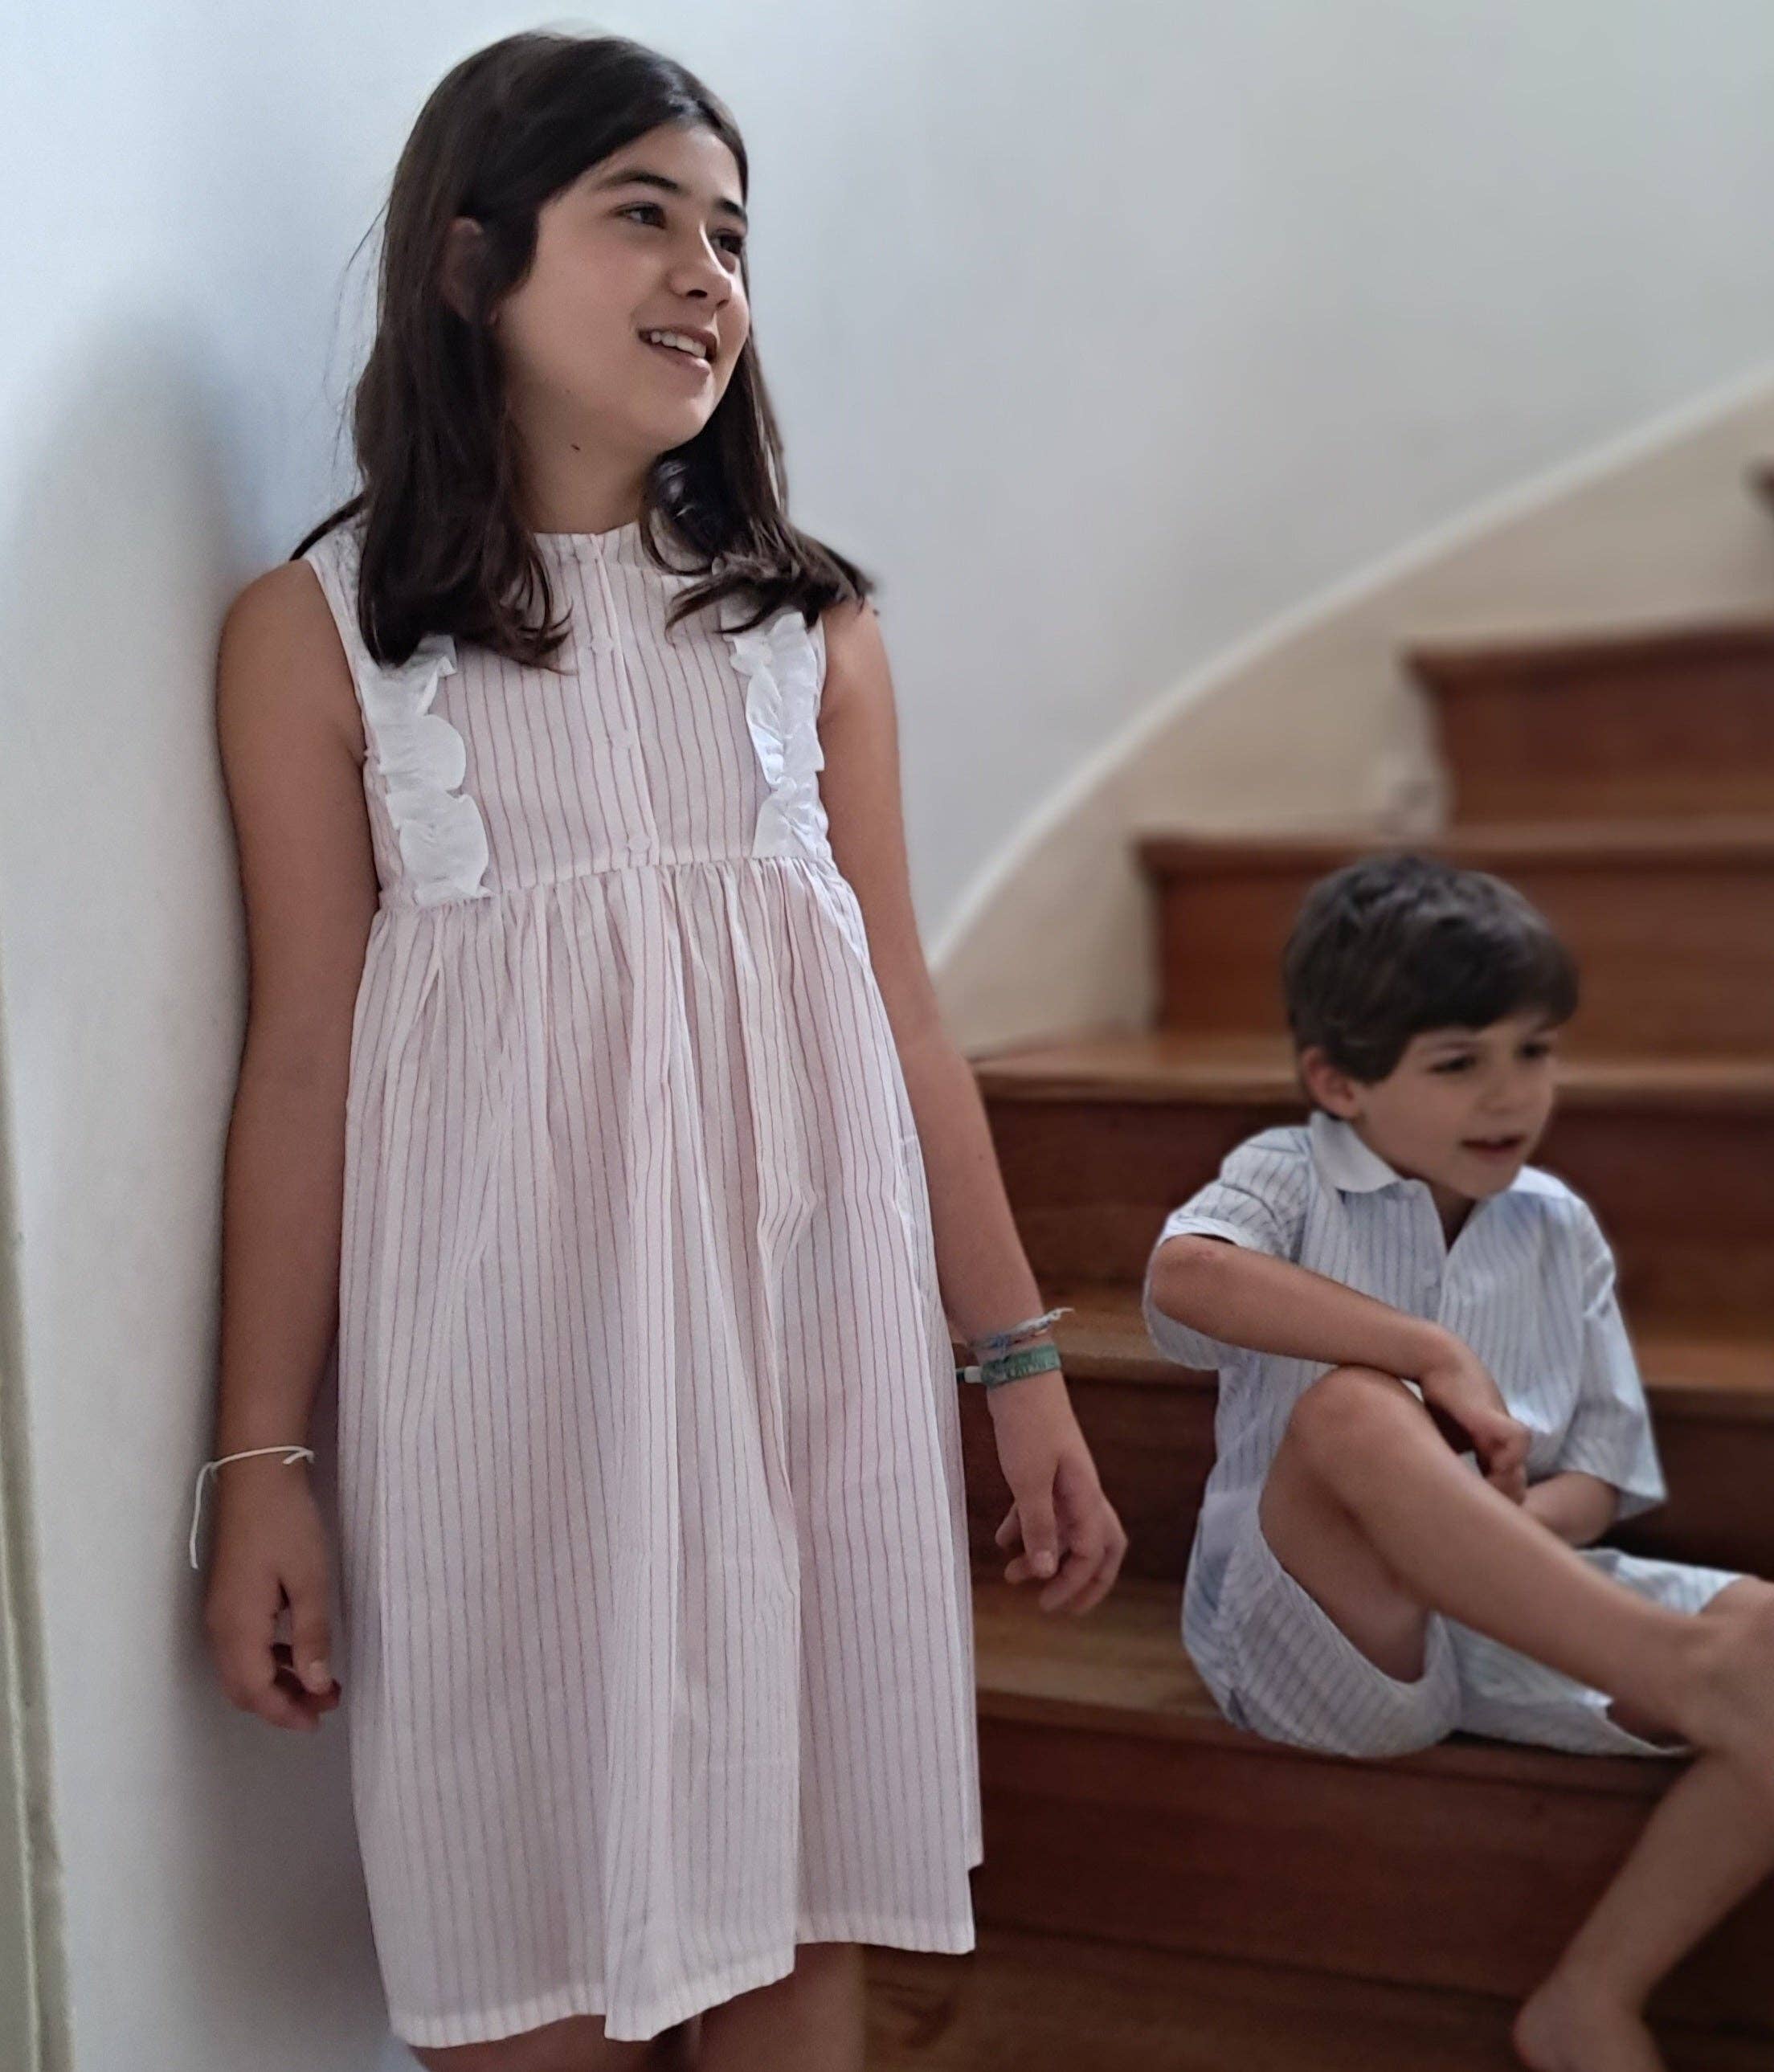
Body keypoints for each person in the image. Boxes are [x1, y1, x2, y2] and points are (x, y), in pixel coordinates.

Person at [193, 32, 1126, 2070]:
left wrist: (1018, 1364)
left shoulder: (809, 635)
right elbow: (302, 1063)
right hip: (504, 1394)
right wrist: (260, 1462)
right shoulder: (323, 635)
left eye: (732, 236)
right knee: (519, 1939)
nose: (708, 273)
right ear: (472, 266)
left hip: (809, 1362)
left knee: (803, 1920)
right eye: (644, 216)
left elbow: (904, 1019)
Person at [1142, 852, 1774, 2072]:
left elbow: (1597, 1477)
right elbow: (1187, 1276)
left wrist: (1486, 1548)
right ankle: (1673, 1670)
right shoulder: (1291, 1173)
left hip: (1502, 1622)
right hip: (1315, 1623)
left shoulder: (1557, 1226)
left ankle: (1589, 1997)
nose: (1510, 1094)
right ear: (1339, 1082)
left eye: (1534, 1051)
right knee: (1353, 1408)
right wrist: (1426, 1351)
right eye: (1457, 1063)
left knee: (1768, 1645)